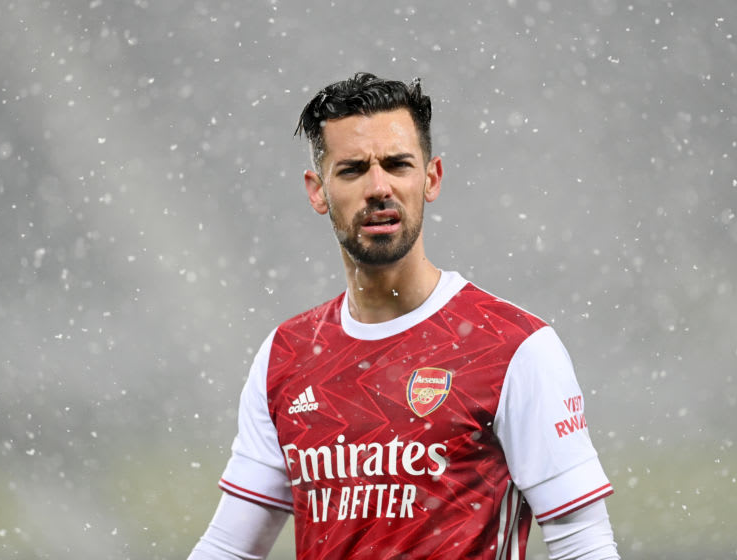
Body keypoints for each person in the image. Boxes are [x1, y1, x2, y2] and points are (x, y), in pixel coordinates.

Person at [188, 72, 619, 559]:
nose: (379, 187)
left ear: (431, 178)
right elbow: (229, 547)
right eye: (352, 169)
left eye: (397, 165)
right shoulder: (285, 355)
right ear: (317, 191)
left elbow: (583, 544)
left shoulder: (515, 347)